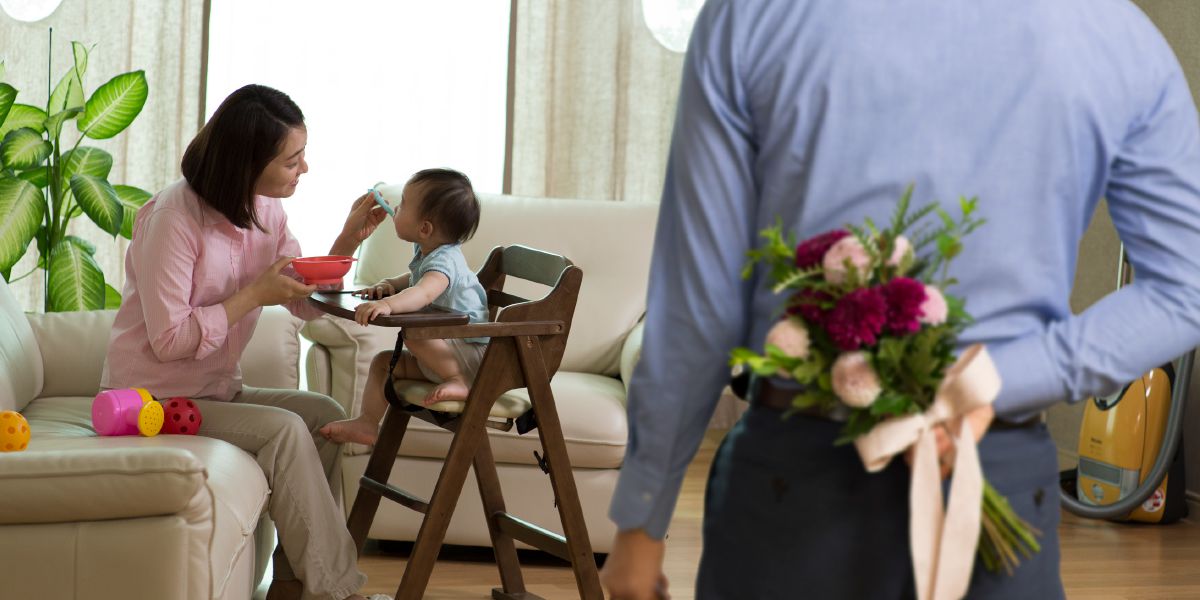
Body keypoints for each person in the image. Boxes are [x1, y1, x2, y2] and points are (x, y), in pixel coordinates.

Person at [600, 1, 1200, 599]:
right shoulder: (1116, 35)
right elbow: (1185, 287)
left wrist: (643, 519)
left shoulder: (752, 14)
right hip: (998, 478)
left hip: (791, 482)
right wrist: (989, 380)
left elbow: (699, 301)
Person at [101, 84, 392, 600]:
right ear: (247, 162)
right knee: (283, 432)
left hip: (214, 391)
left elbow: (301, 299)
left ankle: (295, 583)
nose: (304, 169)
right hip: (152, 403)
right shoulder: (174, 217)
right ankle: (339, 592)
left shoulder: (265, 210)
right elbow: (169, 340)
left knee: (323, 416)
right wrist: (254, 293)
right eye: (292, 159)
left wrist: (348, 241)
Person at [319, 168, 489, 447]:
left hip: (469, 357)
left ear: (425, 228)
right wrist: (390, 284)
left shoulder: (445, 262)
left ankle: (459, 382)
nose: (396, 208)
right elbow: (414, 280)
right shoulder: (429, 253)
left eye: (404, 204)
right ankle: (367, 422)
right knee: (383, 364)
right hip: (448, 352)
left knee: (414, 336)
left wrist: (387, 303)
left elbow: (423, 291)